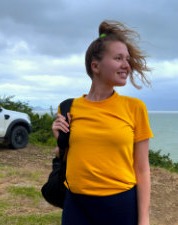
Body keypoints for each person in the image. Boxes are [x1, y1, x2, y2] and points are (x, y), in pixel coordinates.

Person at [52, 20, 153, 225]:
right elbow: (68, 158)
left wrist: (144, 219)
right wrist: (61, 140)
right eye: (118, 58)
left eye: (127, 59)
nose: (127, 64)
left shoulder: (135, 107)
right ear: (95, 66)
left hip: (120, 205)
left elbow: (142, 169)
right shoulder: (69, 107)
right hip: (76, 205)